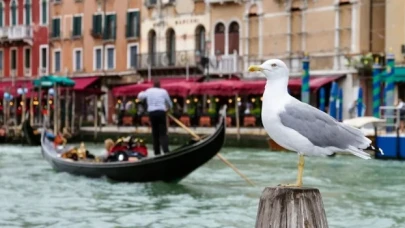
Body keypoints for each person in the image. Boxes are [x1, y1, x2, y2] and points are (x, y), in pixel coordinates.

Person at [138, 79, 173, 155]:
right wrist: (167, 109)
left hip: (152, 113)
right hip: (161, 113)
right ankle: (166, 151)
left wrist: (141, 91)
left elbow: (140, 96)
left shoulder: (149, 91)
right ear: (160, 85)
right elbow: (170, 104)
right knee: (163, 133)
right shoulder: (164, 92)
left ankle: (157, 152)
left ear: (153, 85)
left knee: (155, 133)